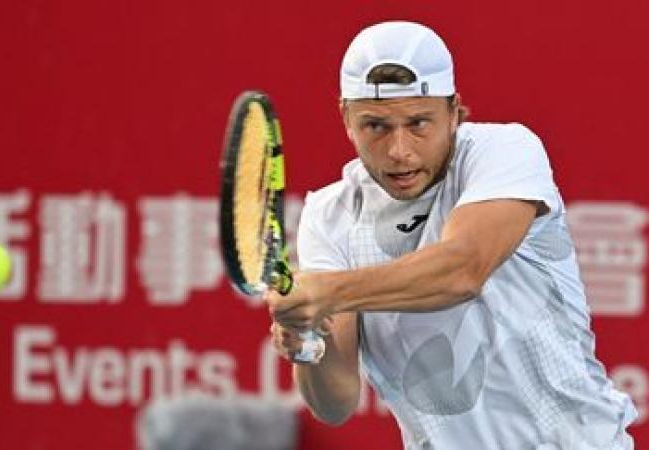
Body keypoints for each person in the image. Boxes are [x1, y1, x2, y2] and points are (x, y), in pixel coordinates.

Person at [265, 21, 637, 450]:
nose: (399, 150)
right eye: (376, 126)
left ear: (455, 112)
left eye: (419, 123)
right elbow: (336, 404)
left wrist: (327, 291)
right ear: (345, 117)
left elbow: (462, 270)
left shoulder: (506, 152)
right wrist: (310, 339)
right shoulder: (329, 216)